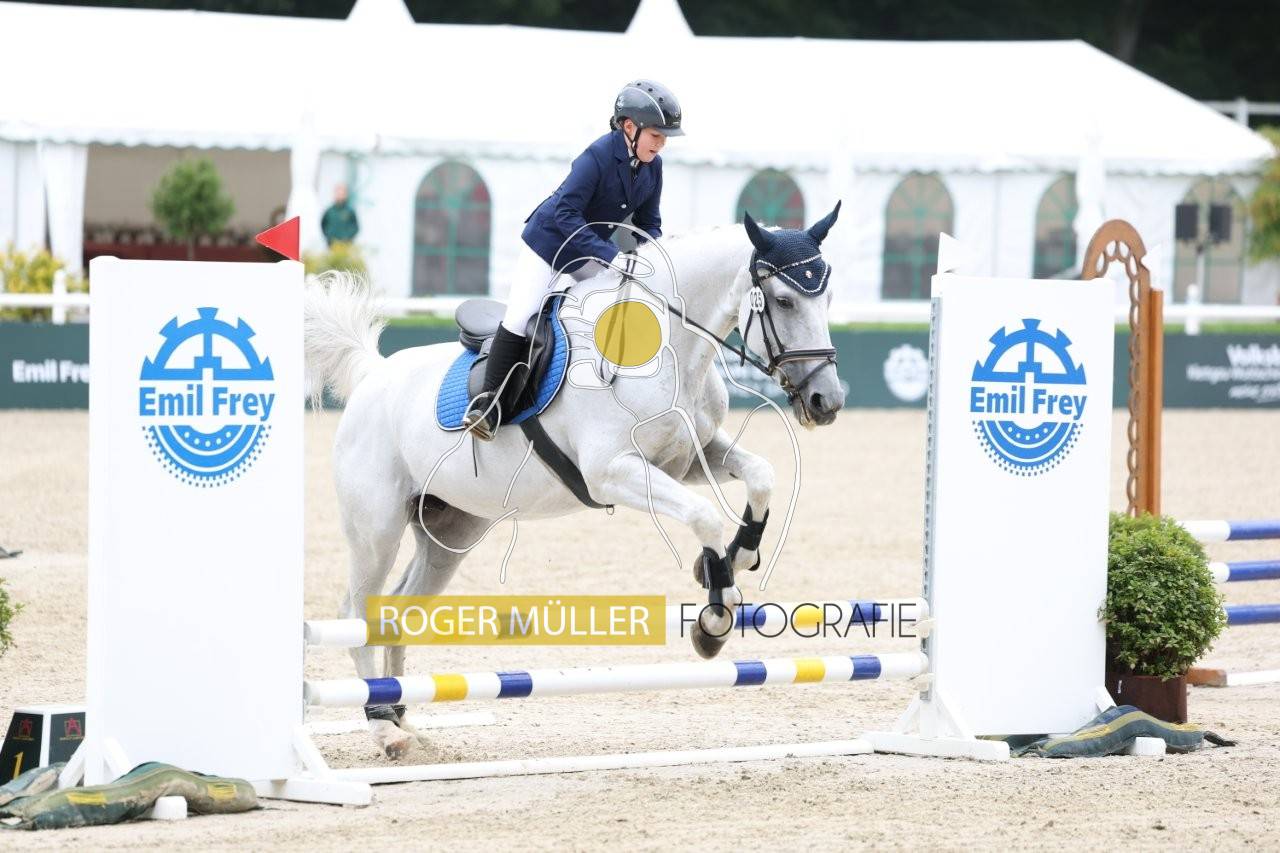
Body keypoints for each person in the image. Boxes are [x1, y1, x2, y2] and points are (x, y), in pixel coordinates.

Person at [463, 79, 683, 440]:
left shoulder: (652, 167)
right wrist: (611, 256)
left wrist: (655, 257)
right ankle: (486, 404)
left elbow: (649, 224)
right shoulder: (597, 156)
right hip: (547, 244)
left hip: (586, 251)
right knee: (521, 315)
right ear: (630, 127)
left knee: (613, 307)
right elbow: (566, 213)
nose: (661, 144)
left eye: (664, 139)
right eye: (657, 136)